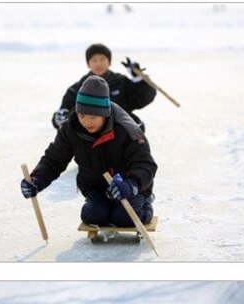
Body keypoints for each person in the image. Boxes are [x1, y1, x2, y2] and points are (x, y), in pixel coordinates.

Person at [20, 75, 156, 228]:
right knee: (93, 216)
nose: (86, 121)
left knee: (124, 218)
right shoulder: (71, 128)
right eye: (82, 115)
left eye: (93, 116)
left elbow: (145, 164)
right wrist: (36, 181)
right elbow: (54, 159)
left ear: (104, 114)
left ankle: (146, 202)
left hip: (127, 185)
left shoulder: (126, 129)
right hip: (95, 186)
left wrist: (131, 185)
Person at [51, 43, 155, 132]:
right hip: (90, 137)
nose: (98, 64)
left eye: (102, 59)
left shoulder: (121, 82)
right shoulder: (78, 88)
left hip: (121, 133)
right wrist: (60, 118)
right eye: (94, 60)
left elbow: (145, 96)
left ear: (109, 62)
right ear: (88, 64)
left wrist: (138, 77)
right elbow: (63, 115)